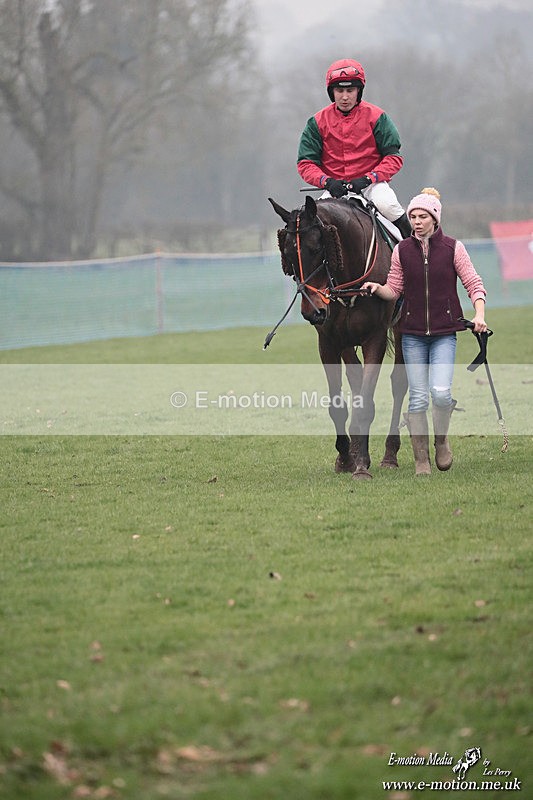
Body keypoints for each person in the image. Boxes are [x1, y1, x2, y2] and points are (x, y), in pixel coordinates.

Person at [362, 188, 487, 475]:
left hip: (444, 335)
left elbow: (473, 283)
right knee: (417, 397)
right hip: (413, 336)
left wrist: (479, 315)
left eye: (422, 216)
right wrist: (377, 288)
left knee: (441, 394)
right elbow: (394, 288)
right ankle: (421, 459)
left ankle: (441, 441)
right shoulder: (402, 251)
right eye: (412, 216)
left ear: (434, 219)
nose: (416, 222)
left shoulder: (453, 248)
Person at [297, 58, 412, 238]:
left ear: (359, 91)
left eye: (350, 90)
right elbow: (305, 164)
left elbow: (393, 158)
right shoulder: (316, 123)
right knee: (311, 223)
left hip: (371, 186)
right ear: (331, 92)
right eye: (339, 90)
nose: (344, 96)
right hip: (335, 188)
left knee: (388, 205)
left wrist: (369, 178)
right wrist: (326, 181)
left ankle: (417, 251)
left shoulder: (378, 117)